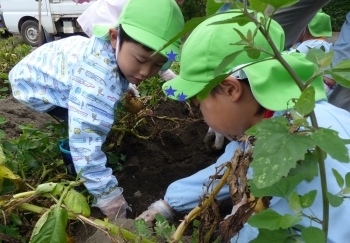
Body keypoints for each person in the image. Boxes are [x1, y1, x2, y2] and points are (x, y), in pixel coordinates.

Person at [137, 11, 350, 242]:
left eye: (200, 105)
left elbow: (262, 230)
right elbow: (232, 166)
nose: (202, 115)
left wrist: (236, 229)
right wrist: (168, 203)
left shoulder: (285, 156)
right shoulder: (291, 120)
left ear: (231, 90)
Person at [9, 0, 184, 219]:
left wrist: (127, 83)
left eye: (158, 64)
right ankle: (77, 170)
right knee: (84, 134)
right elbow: (87, 141)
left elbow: (111, 67)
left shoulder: (113, 51)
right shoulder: (98, 84)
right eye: (140, 60)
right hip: (33, 86)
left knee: (94, 114)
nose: (146, 72)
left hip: (54, 65)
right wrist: (111, 201)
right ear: (114, 38)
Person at [293, 10, 335, 96]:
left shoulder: (309, 45)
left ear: (306, 28)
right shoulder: (329, 46)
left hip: (311, 90)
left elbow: (290, 61)